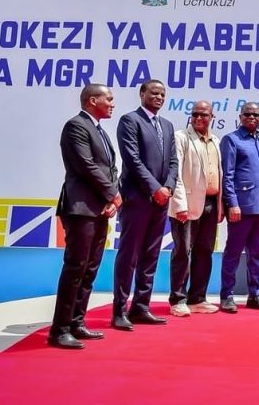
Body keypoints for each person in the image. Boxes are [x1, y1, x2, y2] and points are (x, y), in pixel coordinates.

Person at [48, 83, 121, 349]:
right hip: (80, 208)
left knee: (90, 268)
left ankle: (77, 323)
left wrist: (111, 198)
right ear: (92, 100)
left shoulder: (100, 130)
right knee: (75, 267)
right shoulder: (76, 126)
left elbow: (110, 168)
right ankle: (59, 330)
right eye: (108, 99)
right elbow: (86, 166)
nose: (112, 103)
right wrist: (113, 194)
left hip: (99, 208)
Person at [112, 80, 178, 330]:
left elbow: (174, 161)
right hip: (137, 198)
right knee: (129, 255)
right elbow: (132, 159)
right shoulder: (130, 121)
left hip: (161, 201)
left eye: (162, 94)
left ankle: (141, 307)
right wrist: (154, 188)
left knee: (151, 255)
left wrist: (168, 187)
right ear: (142, 94)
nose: (159, 97)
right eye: (154, 93)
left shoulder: (167, 125)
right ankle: (120, 310)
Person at [219, 102, 259, 312]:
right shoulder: (232, 140)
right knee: (233, 253)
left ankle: (255, 295)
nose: (252, 117)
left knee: (257, 254)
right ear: (240, 117)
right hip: (241, 209)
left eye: (256, 114)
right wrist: (232, 204)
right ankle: (227, 295)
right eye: (248, 114)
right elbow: (227, 175)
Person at [168, 101, 223, 317]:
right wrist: (180, 204)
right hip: (187, 204)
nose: (199, 118)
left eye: (204, 114)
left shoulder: (216, 141)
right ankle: (178, 299)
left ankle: (197, 298)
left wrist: (221, 206)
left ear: (212, 117)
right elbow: (176, 173)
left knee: (204, 252)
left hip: (210, 203)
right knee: (182, 251)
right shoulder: (181, 137)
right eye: (195, 114)